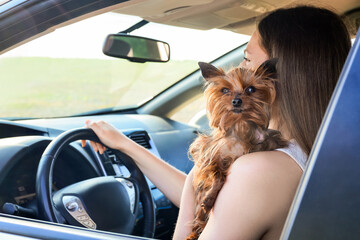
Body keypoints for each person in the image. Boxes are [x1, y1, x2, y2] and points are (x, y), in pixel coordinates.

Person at [83, 5, 351, 240]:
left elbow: (200, 204)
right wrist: (125, 145)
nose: (240, 68)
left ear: (277, 73)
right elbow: (222, 205)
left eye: (247, 58)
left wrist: (201, 172)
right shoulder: (322, 155)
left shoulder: (259, 170)